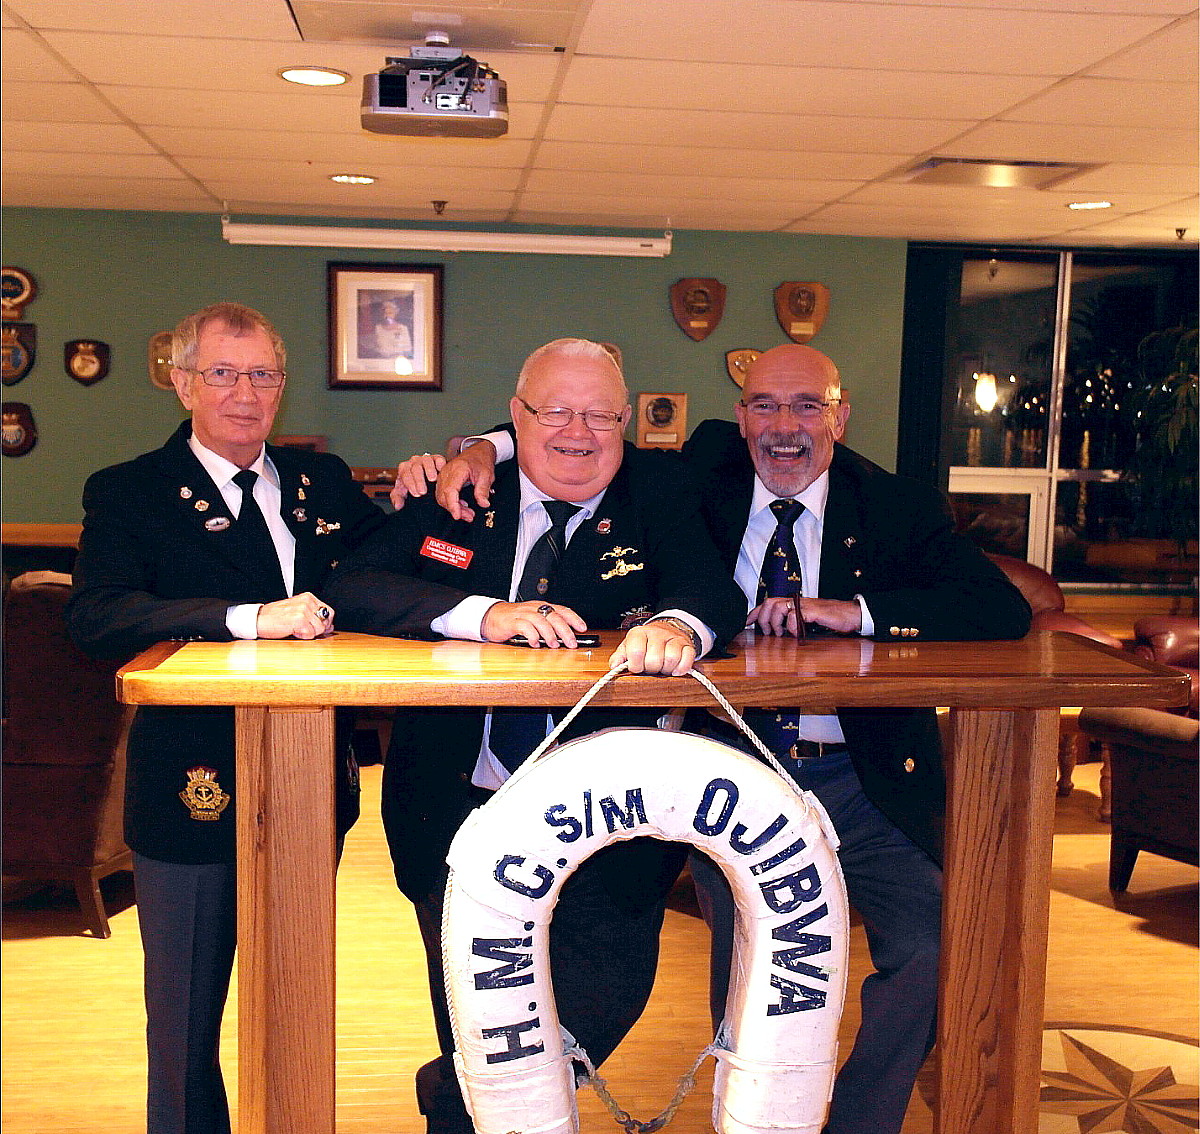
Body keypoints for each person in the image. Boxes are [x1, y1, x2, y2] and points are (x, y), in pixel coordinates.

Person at [391, 342, 1033, 1134]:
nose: (785, 427)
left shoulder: (894, 504)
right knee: (750, 987)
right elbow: (576, 432)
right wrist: (482, 447)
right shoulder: (697, 478)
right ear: (739, 417)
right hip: (729, 779)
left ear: (840, 414)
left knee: (938, 949)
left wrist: (853, 610)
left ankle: (859, 1121)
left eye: (808, 406)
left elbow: (1001, 609)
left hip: (865, 784)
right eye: (764, 405)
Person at [325, 337, 745, 1134]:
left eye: (600, 415)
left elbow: (708, 586)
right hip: (452, 811)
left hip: (611, 826)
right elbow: (353, 584)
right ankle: (464, 1108)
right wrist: (481, 614)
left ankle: (450, 1102)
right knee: (477, 1029)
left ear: (626, 422)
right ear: (517, 418)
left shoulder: (660, 489)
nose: (577, 433)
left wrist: (678, 626)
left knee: (597, 1006)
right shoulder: (464, 491)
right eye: (554, 412)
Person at [65, 302, 385, 1134]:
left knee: (293, 1006)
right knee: (183, 1025)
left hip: (313, 778)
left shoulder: (325, 484)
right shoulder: (129, 491)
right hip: (191, 791)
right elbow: (96, 617)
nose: (246, 392)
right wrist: (248, 616)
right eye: (223, 372)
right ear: (181, 383)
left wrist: (466, 461)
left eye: (264, 374)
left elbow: (395, 567)